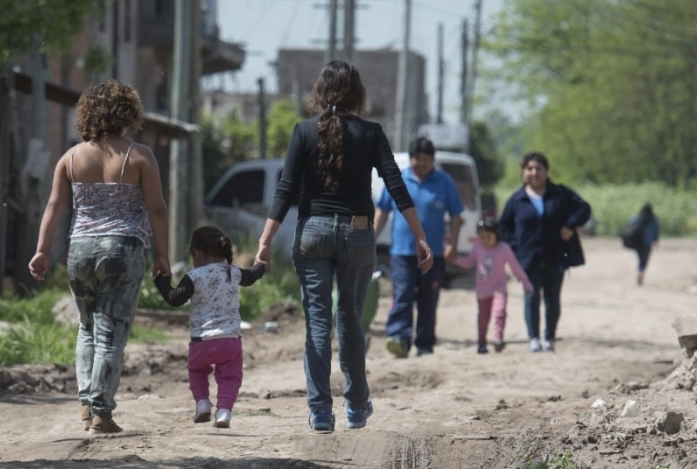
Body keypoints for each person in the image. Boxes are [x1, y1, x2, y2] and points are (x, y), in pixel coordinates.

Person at [256, 60, 434, 434]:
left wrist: (265, 240)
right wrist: (419, 235)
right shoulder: (370, 133)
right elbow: (395, 185)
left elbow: (286, 189)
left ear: (320, 92)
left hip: (312, 233)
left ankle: (320, 411)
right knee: (350, 319)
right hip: (357, 233)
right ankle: (355, 406)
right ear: (357, 94)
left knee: (318, 324)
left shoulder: (303, 131)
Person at [28, 79, 170, 434]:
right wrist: (163, 255)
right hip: (122, 248)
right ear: (128, 113)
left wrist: (42, 250)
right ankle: (101, 413)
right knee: (111, 332)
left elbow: (53, 206)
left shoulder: (71, 158)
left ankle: (85, 403)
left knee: (86, 327)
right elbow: (157, 210)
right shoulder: (140, 156)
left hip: (80, 250)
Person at [154, 226, 266, 429]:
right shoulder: (233, 272)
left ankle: (202, 403)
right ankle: (223, 411)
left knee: (196, 371)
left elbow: (174, 299)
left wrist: (161, 281)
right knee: (230, 377)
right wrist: (260, 267)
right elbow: (251, 276)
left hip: (201, 342)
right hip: (230, 341)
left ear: (197, 253)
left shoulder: (194, 276)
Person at [374, 136, 464, 358]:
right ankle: (399, 338)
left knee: (428, 298)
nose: (421, 163)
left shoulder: (444, 182)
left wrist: (452, 243)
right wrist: (371, 238)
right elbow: (383, 211)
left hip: (433, 254)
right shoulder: (398, 179)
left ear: (432, 160)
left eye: (426, 159)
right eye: (417, 158)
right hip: (401, 253)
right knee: (402, 294)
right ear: (410, 158)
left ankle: (424, 344)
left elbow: (455, 215)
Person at [497, 152, 591, 353]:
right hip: (527, 258)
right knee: (531, 297)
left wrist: (570, 225)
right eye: (529, 169)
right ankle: (533, 338)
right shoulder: (516, 200)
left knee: (552, 298)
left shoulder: (560, 194)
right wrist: (515, 248)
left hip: (555, 255)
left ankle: (549, 337)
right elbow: (503, 227)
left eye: (539, 168)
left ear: (546, 171)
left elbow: (584, 208)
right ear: (523, 173)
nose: (534, 173)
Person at [451, 217, 533, 354]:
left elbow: (516, 267)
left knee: (499, 312)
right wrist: (454, 259)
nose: (485, 240)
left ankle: (498, 339)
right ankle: (481, 343)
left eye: (488, 236)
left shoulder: (504, 249)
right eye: (481, 237)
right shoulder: (477, 248)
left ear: (496, 235)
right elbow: (468, 263)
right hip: (482, 291)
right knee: (483, 318)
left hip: (499, 289)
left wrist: (525, 282)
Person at [620, 203, 661, 286]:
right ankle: (641, 272)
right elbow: (656, 231)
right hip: (647, 243)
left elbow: (630, 227)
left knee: (640, 257)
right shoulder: (654, 220)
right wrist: (655, 240)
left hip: (637, 242)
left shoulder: (636, 218)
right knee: (644, 259)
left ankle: (639, 271)